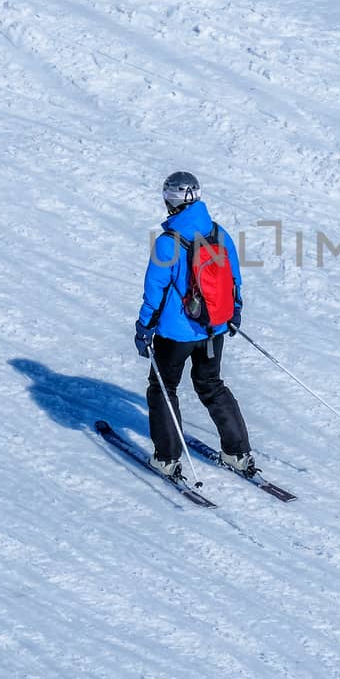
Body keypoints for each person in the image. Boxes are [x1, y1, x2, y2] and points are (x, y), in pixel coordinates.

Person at [134, 171, 254, 481]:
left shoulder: (167, 243)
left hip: (176, 333)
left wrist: (144, 326)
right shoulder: (218, 232)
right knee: (211, 384)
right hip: (214, 327)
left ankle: (167, 458)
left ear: (169, 202)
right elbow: (234, 278)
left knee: (163, 387)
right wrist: (234, 311)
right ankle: (238, 452)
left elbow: (155, 290)